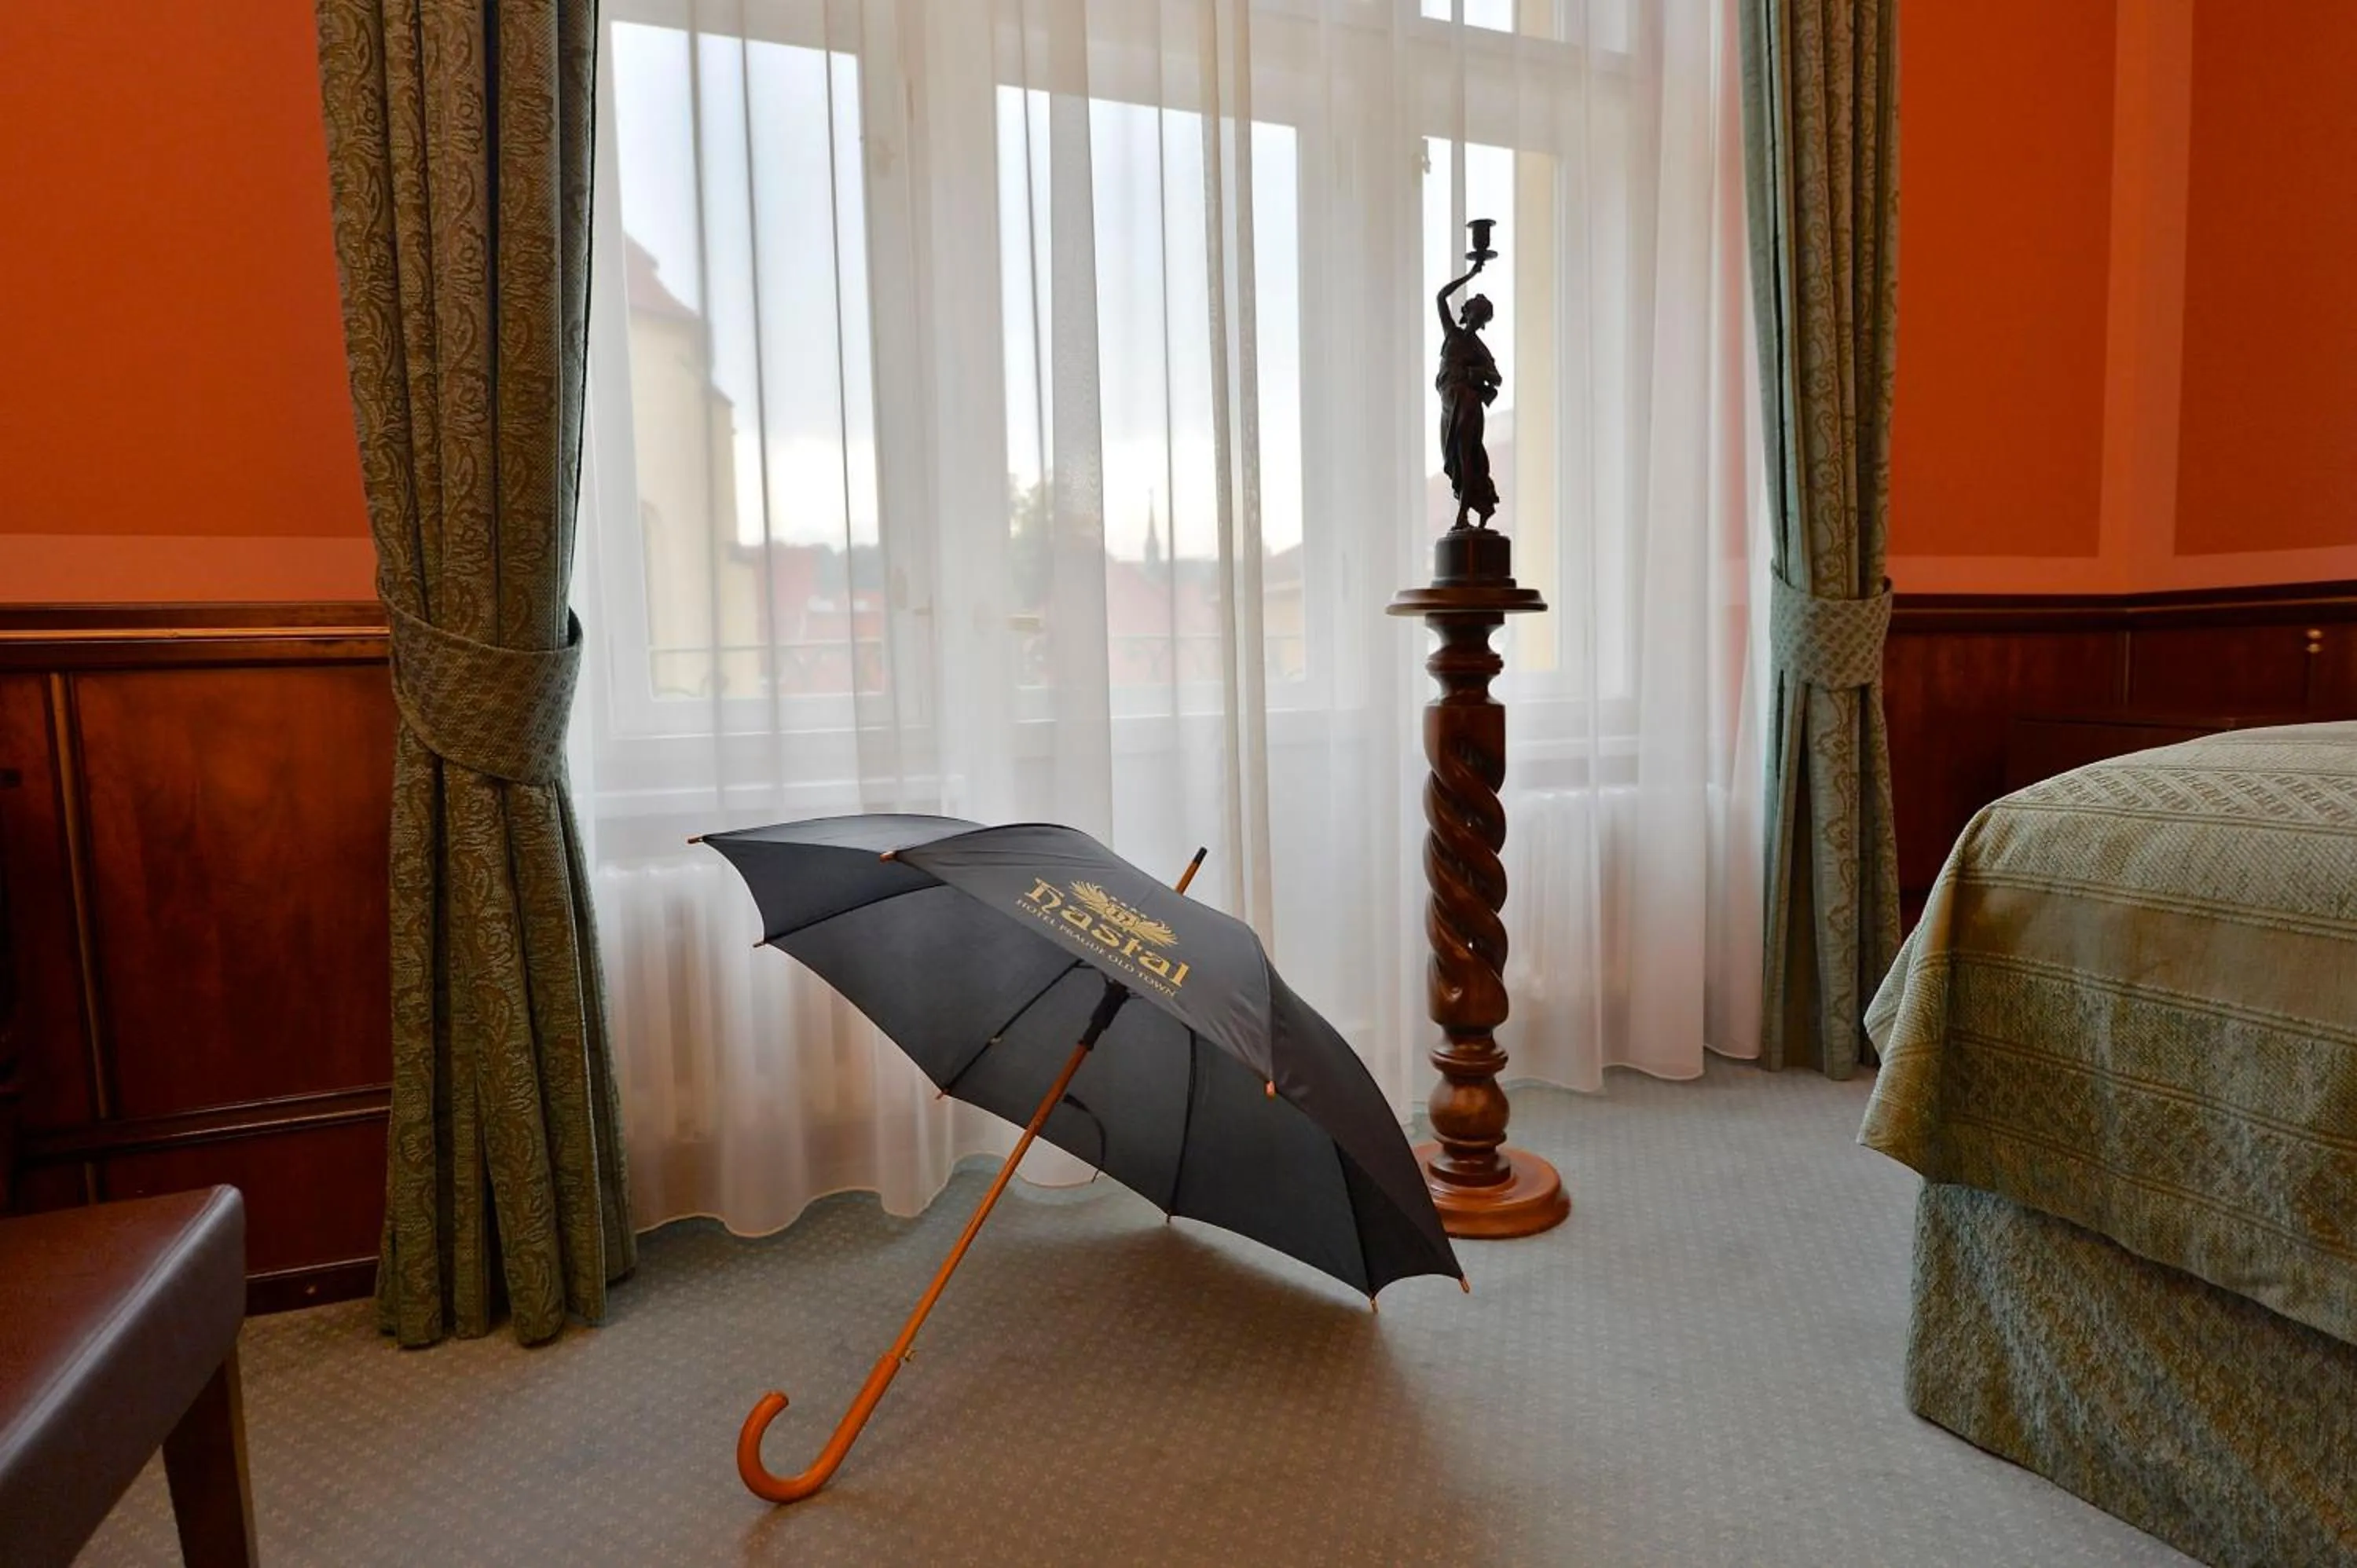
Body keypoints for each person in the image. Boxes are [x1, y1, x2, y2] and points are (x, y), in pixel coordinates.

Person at [1435, 267, 1501, 529]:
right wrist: (1472, 275)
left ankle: (1463, 515)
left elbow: (1496, 378)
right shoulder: (1452, 333)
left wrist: (1476, 373)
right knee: (1451, 457)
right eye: (1475, 310)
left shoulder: (1478, 347)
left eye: (1482, 314)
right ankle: (1482, 504)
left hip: (1466, 400)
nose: (1477, 316)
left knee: (1465, 454)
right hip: (1448, 401)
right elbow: (1441, 297)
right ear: (1466, 312)